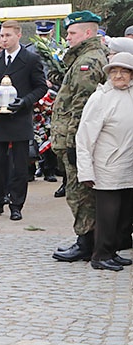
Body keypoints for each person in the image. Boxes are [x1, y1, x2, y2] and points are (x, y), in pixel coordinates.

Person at [0, 20, 48, 221]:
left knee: (19, 165)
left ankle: (16, 204)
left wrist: (25, 102)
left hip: (20, 118)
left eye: (7, 35)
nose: (3, 39)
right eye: (1, 36)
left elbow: (41, 87)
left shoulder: (30, 59)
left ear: (18, 35)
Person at [50, 11, 108, 263]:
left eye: (72, 33)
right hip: (73, 138)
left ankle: (86, 241)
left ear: (87, 33)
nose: (69, 38)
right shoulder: (85, 57)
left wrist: (75, 143)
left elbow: (82, 107)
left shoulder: (88, 61)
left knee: (79, 192)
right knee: (80, 191)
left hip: (76, 140)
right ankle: (92, 240)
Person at [76, 52, 133, 271]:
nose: (119, 76)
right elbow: (84, 137)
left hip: (128, 164)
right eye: (114, 71)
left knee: (124, 216)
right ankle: (100, 255)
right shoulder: (100, 98)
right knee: (108, 216)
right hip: (106, 166)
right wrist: (86, 171)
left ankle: (112, 251)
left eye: (124, 71)